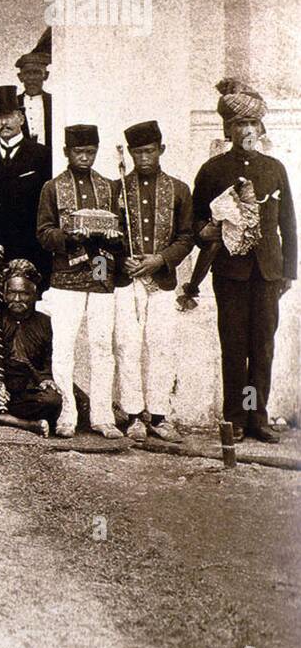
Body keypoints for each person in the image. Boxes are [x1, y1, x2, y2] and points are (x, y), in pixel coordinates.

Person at [192, 80, 295, 444]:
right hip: (231, 274)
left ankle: (257, 417)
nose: (246, 131)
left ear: (260, 129)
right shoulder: (212, 170)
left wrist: (289, 272)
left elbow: (288, 225)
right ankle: (234, 418)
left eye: (252, 126)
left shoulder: (275, 168)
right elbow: (196, 222)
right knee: (234, 345)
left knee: (262, 346)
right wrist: (205, 232)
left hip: (268, 273)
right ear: (229, 130)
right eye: (239, 126)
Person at [36, 123, 127, 439]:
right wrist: (70, 236)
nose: (85, 157)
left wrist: (111, 236)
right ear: (66, 153)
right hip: (65, 274)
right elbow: (44, 233)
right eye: (78, 152)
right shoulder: (52, 187)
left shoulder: (110, 187)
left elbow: (122, 232)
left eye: (90, 152)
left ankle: (103, 417)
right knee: (64, 347)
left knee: (102, 345)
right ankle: (66, 414)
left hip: (101, 270)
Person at [108, 120, 196, 440]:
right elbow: (107, 236)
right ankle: (133, 415)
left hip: (162, 281)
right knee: (126, 345)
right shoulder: (116, 188)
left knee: (161, 345)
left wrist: (160, 259)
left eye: (149, 151)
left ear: (161, 150)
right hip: (127, 280)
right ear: (129, 153)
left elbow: (188, 237)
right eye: (136, 152)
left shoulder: (179, 189)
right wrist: (122, 259)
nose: (143, 157)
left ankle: (158, 416)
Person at [0, 85, 52, 283]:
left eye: (8, 116)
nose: (3, 123)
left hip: (31, 245)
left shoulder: (42, 155)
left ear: (21, 119)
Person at [0, 260, 63, 435]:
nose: (16, 299)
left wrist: (45, 379)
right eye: (12, 293)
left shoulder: (46, 323)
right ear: (4, 294)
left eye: (23, 294)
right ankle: (24, 423)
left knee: (52, 401)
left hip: (28, 393)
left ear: (34, 293)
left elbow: (50, 361)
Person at [17, 51, 52, 148]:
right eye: (27, 73)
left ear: (46, 75)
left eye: (37, 73)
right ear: (20, 77)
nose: (32, 78)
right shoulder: (13, 103)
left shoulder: (54, 102)